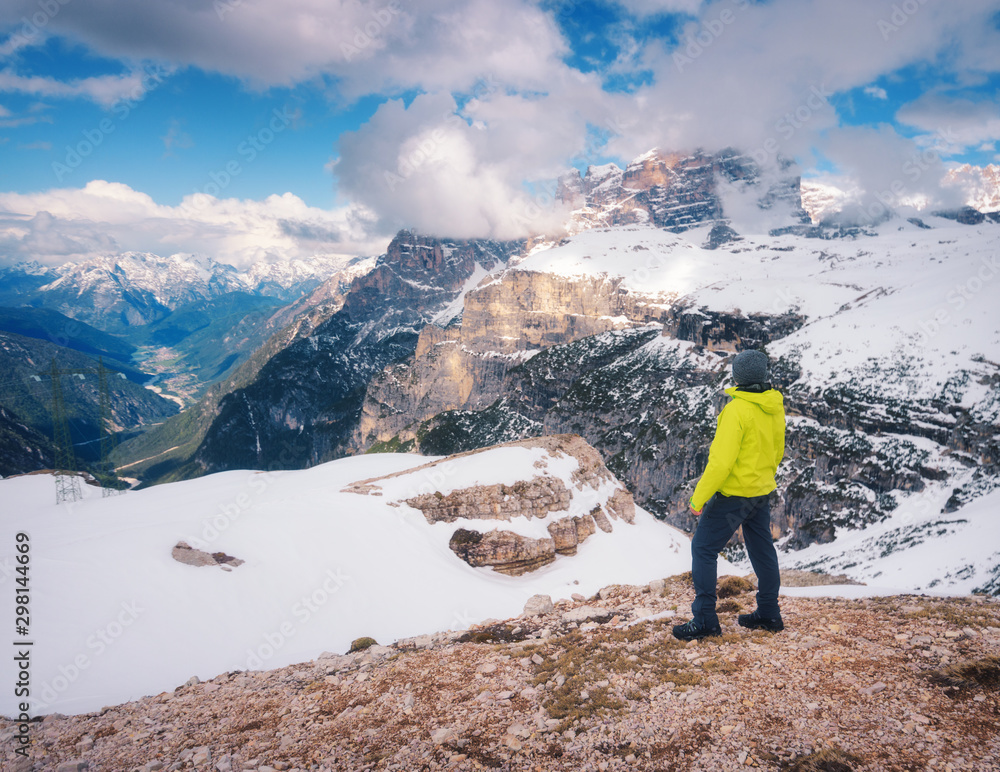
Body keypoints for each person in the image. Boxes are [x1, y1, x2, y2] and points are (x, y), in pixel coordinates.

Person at [672, 349, 786, 641]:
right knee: (762, 550)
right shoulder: (774, 407)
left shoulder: (736, 410)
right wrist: (763, 477)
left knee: (703, 548)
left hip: (734, 495)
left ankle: (705, 619)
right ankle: (769, 613)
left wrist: (698, 499)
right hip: (761, 491)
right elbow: (777, 451)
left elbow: (721, 463)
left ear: (737, 377)